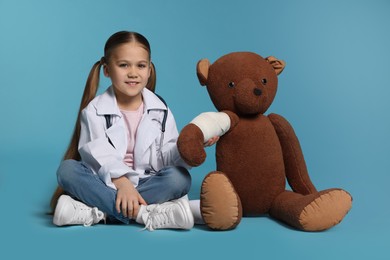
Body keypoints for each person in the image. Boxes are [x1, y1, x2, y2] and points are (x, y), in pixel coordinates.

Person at [51, 31, 213, 231]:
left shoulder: (160, 109)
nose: (133, 73)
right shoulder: (94, 110)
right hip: (107, 183)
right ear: (107, 70)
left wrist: (190, 146)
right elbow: (97, 152)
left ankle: (99, 212)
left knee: (179, 178)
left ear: (149, 69)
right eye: (123, 65)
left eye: (141, 65)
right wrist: (122, 183)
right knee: (67, 170)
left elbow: (168, 158)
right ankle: (144, 214)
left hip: (147, 183)